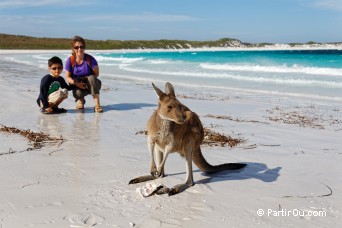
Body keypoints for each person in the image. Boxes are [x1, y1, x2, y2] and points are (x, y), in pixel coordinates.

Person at [64, 35, 103, 113]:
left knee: (91, 78)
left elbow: (96, 74)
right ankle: (81, 100)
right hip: (77, 85)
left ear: (84, 47)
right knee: (78, 93)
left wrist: (87, 80)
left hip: (92, 85)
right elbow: (68, 77)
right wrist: (77, 83)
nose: (79, 49)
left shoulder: (90, 59)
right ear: (73, 48)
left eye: (82, 47)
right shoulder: (70, 60)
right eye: (76, 47)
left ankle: (97, 104)